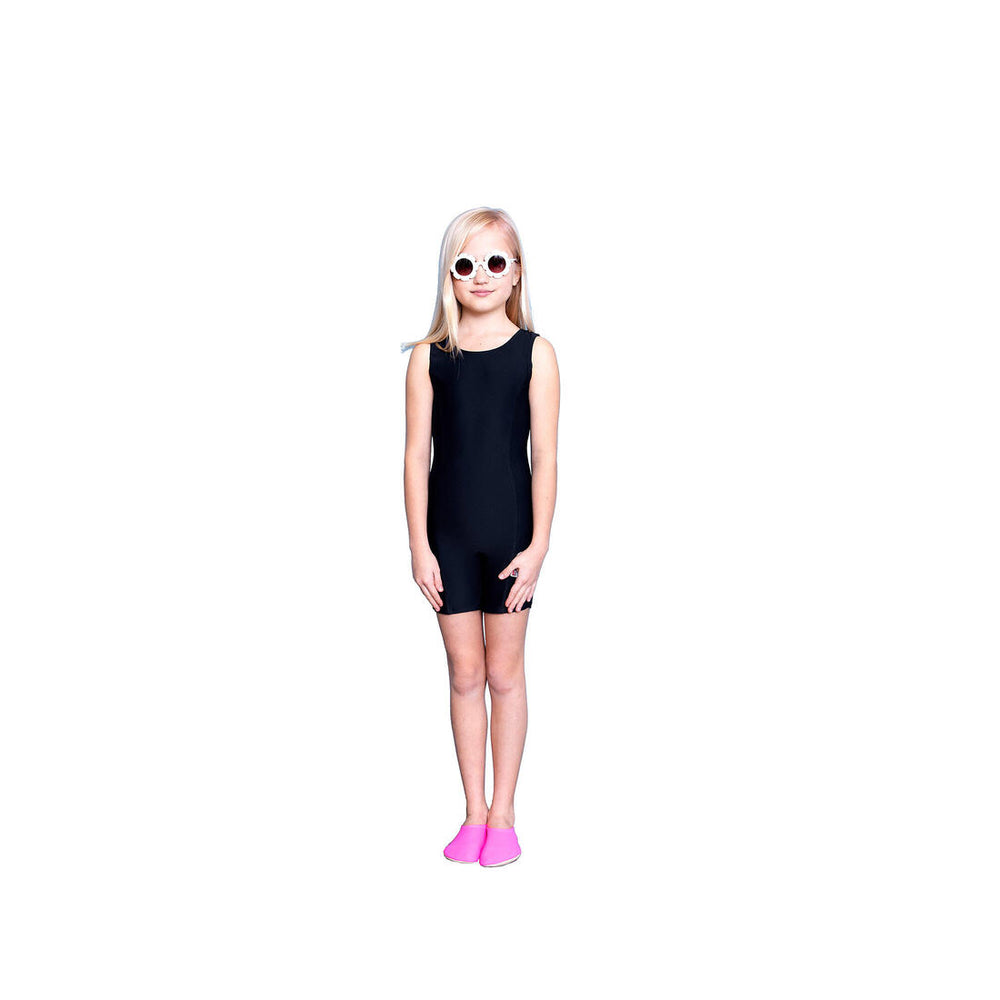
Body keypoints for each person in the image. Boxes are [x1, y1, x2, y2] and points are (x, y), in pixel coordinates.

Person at [402, 207, 560, 867]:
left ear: (517, 271)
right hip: (449, 542)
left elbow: (545, 457)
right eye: (464, 264)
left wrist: (539, 547)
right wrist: (419, 547)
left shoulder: (536, 354)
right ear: (449, 276)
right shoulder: (429, 358)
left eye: (495, 261)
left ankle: (505, 813)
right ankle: (472, 811)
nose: (481, 275)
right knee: (465, 674)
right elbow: (416, 456)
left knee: (504, 673)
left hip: (511, 540)